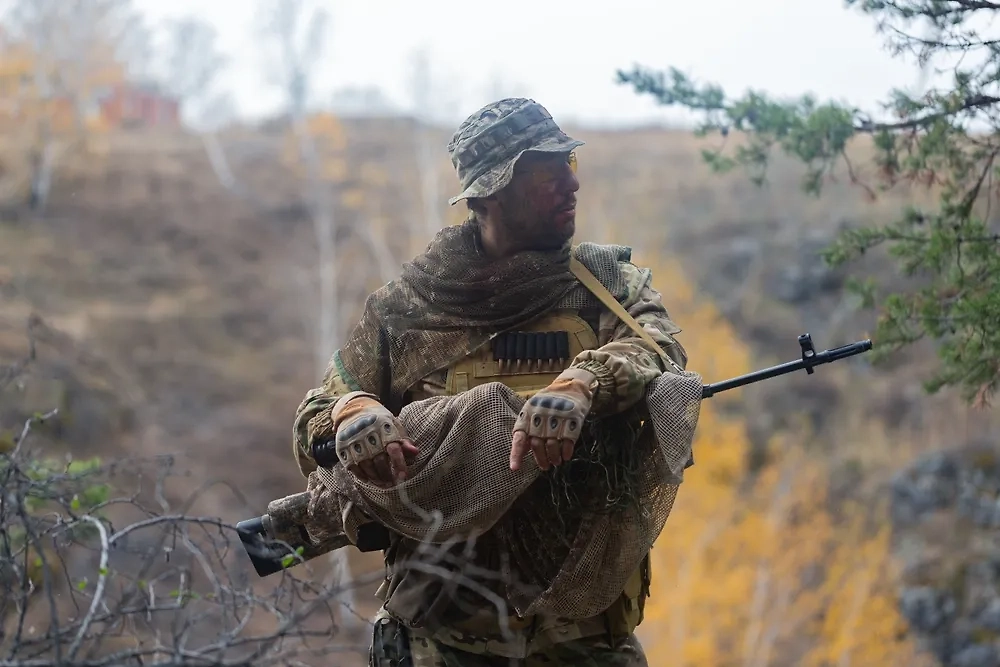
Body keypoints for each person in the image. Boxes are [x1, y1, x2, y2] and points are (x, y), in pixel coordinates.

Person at [289, 98, 701, 666]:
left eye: (569, 170)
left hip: (582, 638)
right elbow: (318, 410)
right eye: (545, 176)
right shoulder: (410, 308)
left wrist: (582, 382)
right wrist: (353, 411)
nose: (569, 187)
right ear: (490, 196)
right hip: (443, 635)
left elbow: (658, 350)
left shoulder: (608, 286)